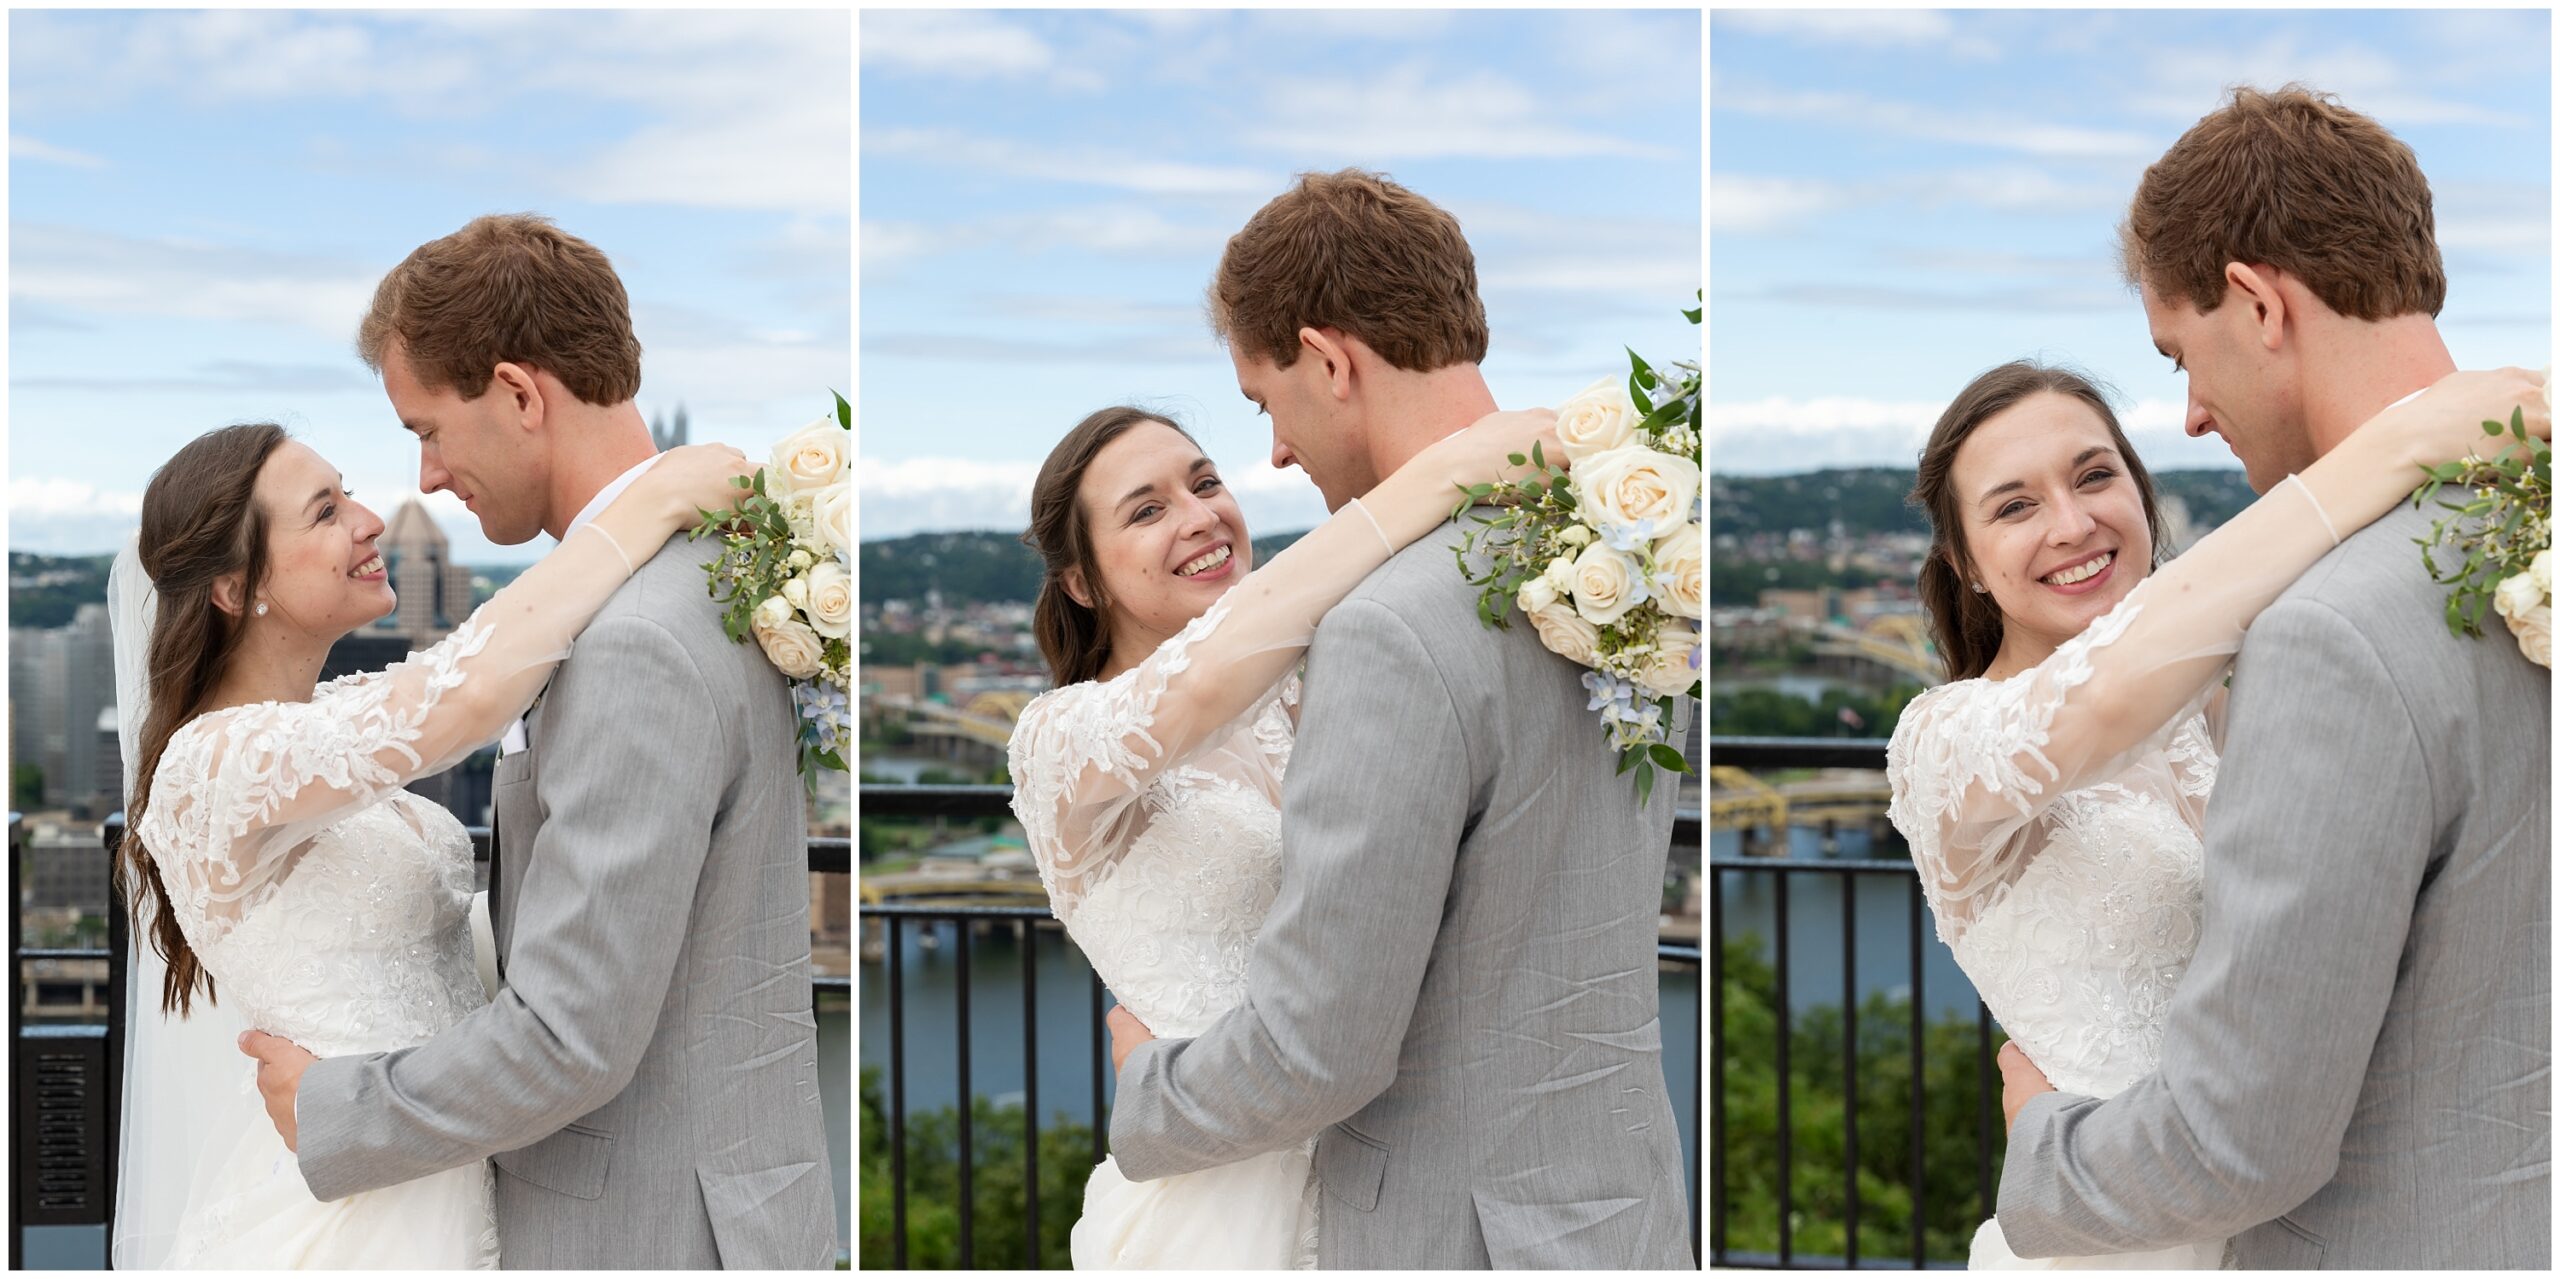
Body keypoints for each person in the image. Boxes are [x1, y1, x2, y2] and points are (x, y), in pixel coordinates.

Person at [1903, 86, 2552, 1270]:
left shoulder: (2309, 650)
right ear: (1964, 562)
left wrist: (2037, 1141)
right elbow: (2096, 702)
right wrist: (2403, 441)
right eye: (2010, 503)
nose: (2194, 414)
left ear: (2253, 302)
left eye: (2098, 472)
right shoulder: (1949, 742)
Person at [1025, 169, 1696, 1269]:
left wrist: (1143, 1093)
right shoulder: (1628, 553)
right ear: (1082, 579)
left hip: (1440, 1226)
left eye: (1261, 409)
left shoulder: (1382, 628)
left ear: (1329, 361)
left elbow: (1319, 1047)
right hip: (1609, 1207)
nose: (1274, 456)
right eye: (1148, 508)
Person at [196, 214, 836, 1268]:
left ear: (520, 394)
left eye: (430, 430)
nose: (428, 476)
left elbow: (571, 1035)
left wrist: (331, 1105)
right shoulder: (721, 574)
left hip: (639, 1232)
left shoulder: (633, 641)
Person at [108, 422, 755, 1267]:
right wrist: (657, 498)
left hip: (448, 1160)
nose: (371, 519)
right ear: (235, 587)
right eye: (326, 511)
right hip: (357, 1212)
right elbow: (468, 688)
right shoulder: (210, 763)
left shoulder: (322, 723)